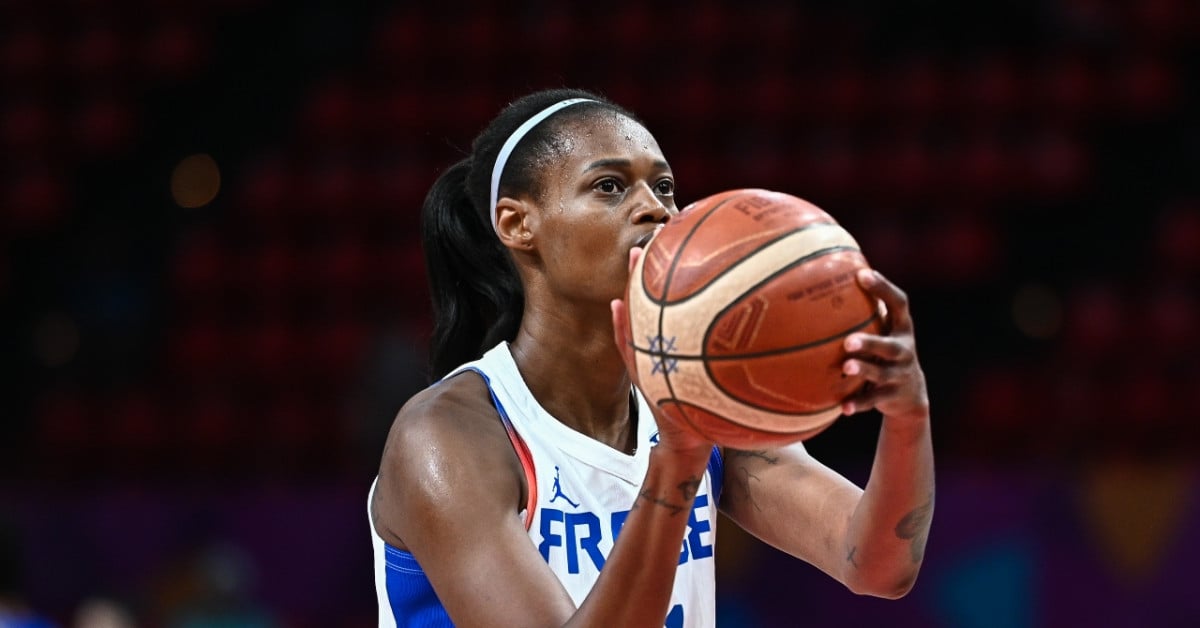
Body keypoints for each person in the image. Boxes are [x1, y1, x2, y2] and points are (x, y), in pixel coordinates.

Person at [369, 88, 934, 627]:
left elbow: (878, 565)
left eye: (664, 187)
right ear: (518, 225)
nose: (656, 210)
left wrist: (909, 418)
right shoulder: (446, 436)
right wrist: (677, 462)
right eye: (611, 186)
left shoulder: (708, 394)